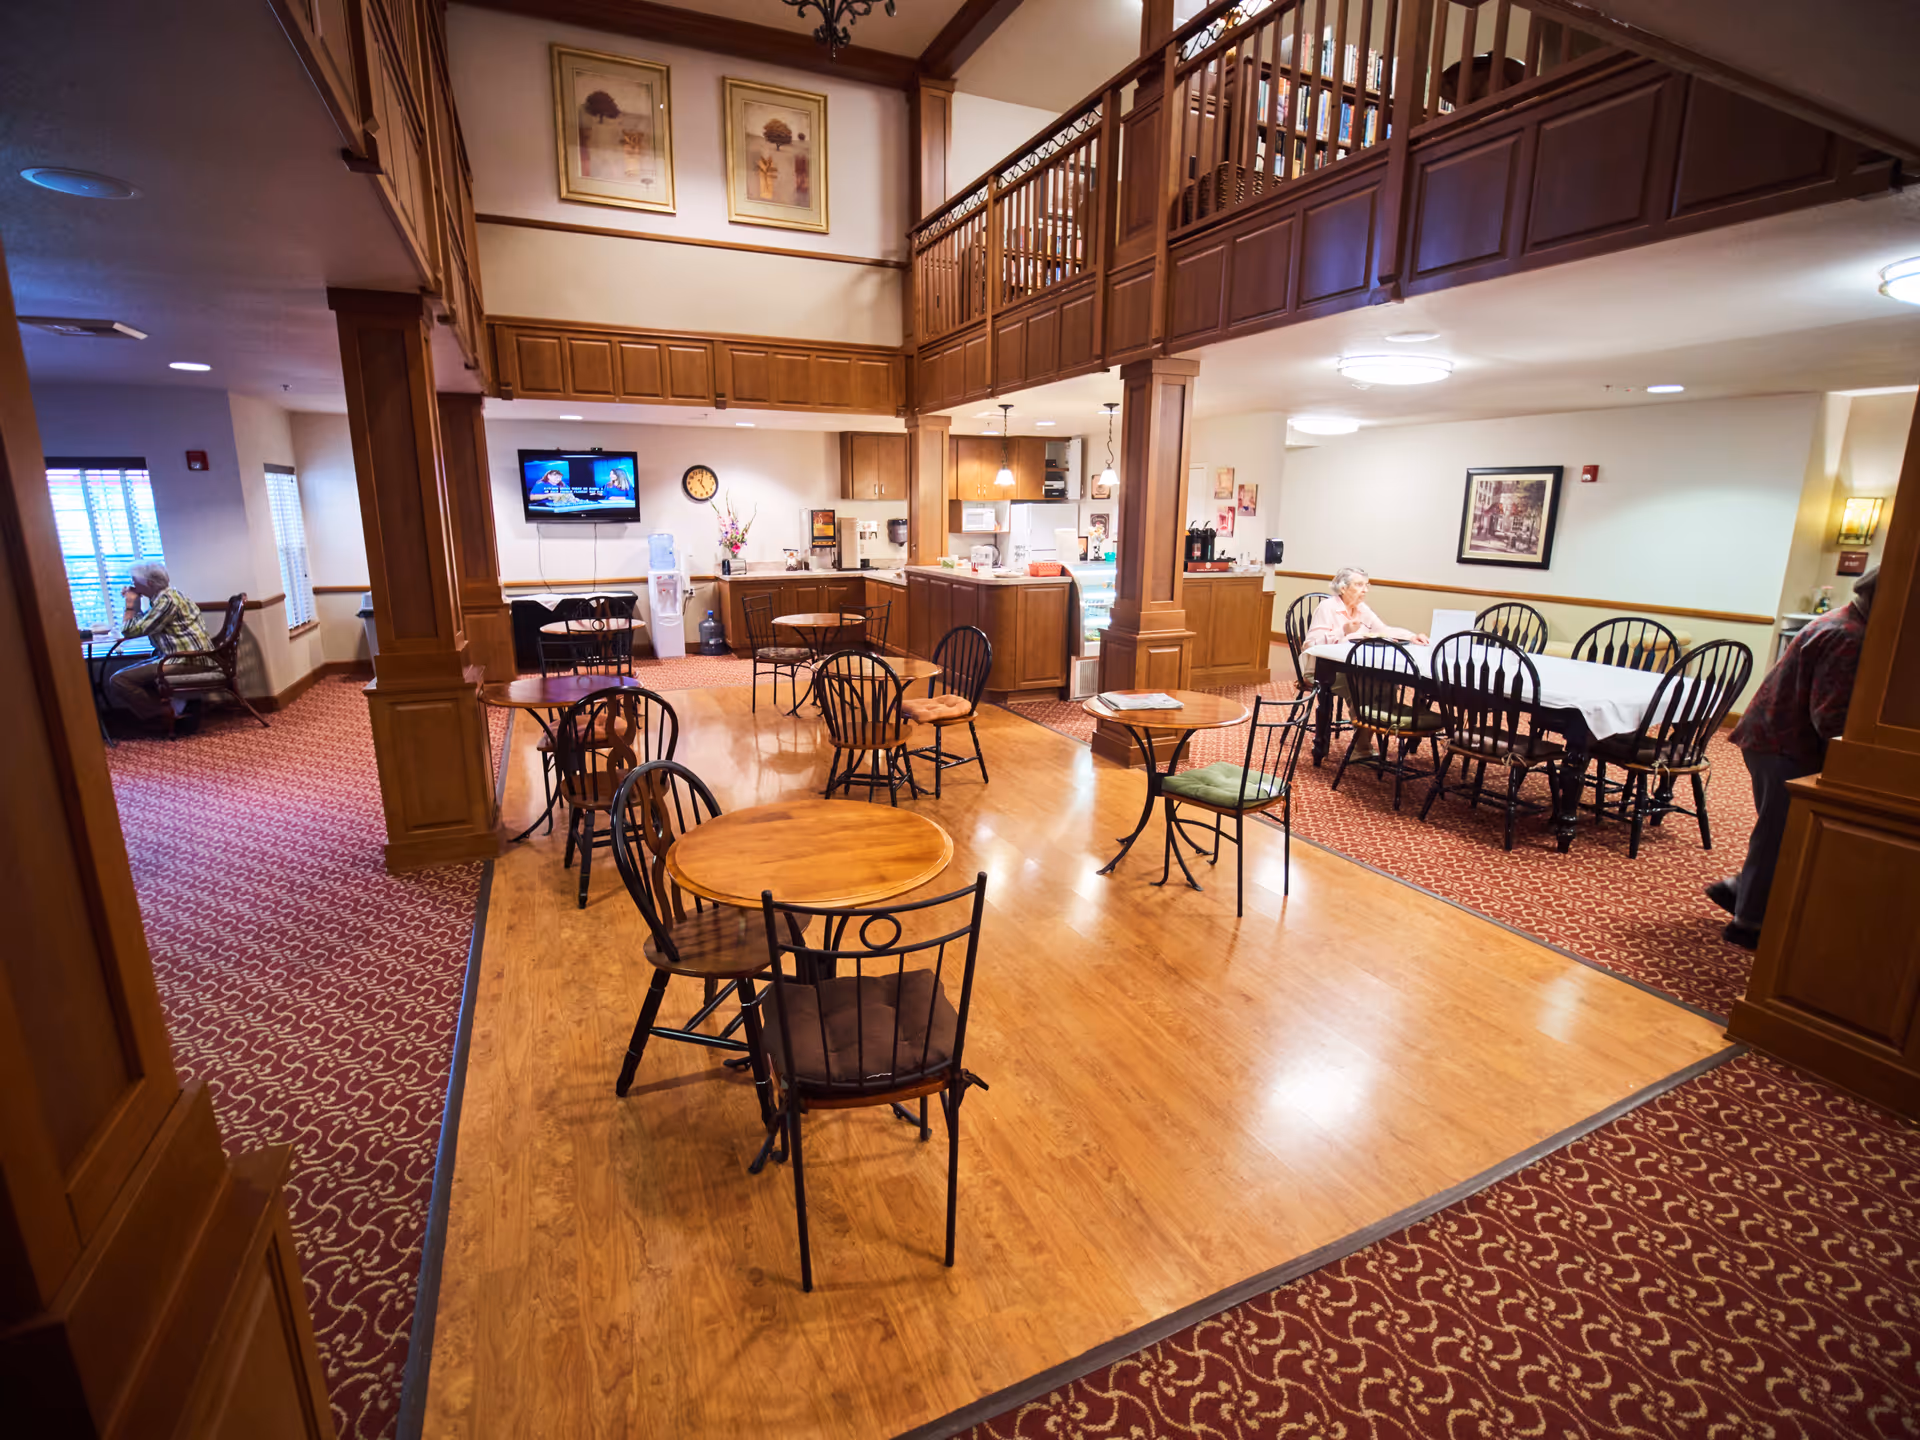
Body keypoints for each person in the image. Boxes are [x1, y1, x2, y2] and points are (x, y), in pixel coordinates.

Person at [1709, 566, 1877, 950]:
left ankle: (1741, 890)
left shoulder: (1843, 620)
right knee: (1778, 834)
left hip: (1773, 733)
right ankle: (1747, 922)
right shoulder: (1849, 637)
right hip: (1782, 741)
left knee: (1782, 831)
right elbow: (1829, 716)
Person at [1302, 567, 1429, 756]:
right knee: (1363, 685)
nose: (1365, 590)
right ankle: (1362, 746)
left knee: (1386, 682)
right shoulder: (1327, 608)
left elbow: (1383, 630)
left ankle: (1377, 729)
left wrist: (1411, 636)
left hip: (1356, 667)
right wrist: (1343, 631)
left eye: (1366, 585)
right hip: (1324, 670)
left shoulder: (1362, 609)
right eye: (1359, 585)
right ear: (1343, 588)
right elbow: (1310, 644)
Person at [105, 562, 215, 732]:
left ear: (148, 583)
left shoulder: (167, 602)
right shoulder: (166, 596)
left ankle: (167, 714)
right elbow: (141, 625)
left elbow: (130, 631)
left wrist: (129, 605)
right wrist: (136, 606)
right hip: (181, 656)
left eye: (135, 581)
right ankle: (177, 708)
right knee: (129, 674)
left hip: (187, 659)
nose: (132, 585)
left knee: (120, 680)